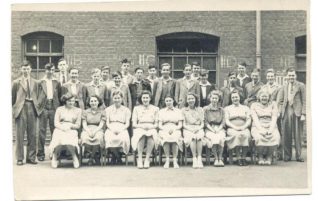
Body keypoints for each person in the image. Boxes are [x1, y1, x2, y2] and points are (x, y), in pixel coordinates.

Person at [12, 60, 41, 165]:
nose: (26, 71)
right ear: (21, 69)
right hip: (21, 108)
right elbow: (12, 98)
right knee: (20, 134)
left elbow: (38, 96)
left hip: (32, 107)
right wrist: (15, 110)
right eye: (24, 69)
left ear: (31, 69)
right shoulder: (16, 82)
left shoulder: (36, 82)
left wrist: (37, 107)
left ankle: (31, 157)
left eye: (27, 69)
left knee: (32, 134)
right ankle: (20, 158)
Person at [277, 67, 306, 162]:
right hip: (286, 111)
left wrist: (303, 114)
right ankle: (287, 156)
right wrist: (280, 111)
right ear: (287, 76)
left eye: (293, 75)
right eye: (289, 75)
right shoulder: (284, 86)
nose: (291, 77)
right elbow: (280, 101)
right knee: (286, 134)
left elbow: (305, 100)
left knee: (298, 135)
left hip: (297, 112)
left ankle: (298, 156)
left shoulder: (301, 85)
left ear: (295, 75)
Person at [49, 93, 82, 168]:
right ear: (65, 101)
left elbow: (78, 125)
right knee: (58, 135)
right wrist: (62, 128)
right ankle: (54, 156)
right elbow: (56, 123)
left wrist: (70, 126)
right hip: (60, 127)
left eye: (73, 101)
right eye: (69, 101)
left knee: (70, 136)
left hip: (71, 128)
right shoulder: (59, 109)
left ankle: (74, 157)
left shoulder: (78, 110)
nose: (71, 103)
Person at [37, 63, 62, 162]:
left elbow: (59, 96)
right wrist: (39, 106)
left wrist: (58, 107)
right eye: (48, 70)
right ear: (45, 71)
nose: (50, 72)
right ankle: (41, 153)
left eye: (52, 70)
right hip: (43, 107)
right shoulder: (40, 82)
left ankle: (53, 152)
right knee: (41, 131)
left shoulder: (57, 82)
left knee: (54, 131)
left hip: (53, 107)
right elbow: (37, 95)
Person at [250, 89, 280, 165]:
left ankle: (269, 156)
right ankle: (260, 156)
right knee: (259, 137)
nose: (264, 98)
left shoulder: (273, 104)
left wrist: (270, 129)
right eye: (262, 96)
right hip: (258, 125)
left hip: (271, 125)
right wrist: (261, 130)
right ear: (259, 97)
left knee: (275, 136)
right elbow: (255, 119)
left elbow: (274, 118)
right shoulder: (254, 105)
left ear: (269, 97)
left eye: (266, 96)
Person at [131, 90, 159, 169]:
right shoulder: (136, 108)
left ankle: (147, 159)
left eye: (147, 98)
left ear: (150, 99)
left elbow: (156, 124)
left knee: (151, 135)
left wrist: (151, 127)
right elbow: (134, 124)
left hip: (151, 127)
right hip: (140, 127)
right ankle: (139, 159)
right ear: (141, 99)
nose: (145, 99)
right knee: (141, 135)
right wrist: (142, 127)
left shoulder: (155, 109)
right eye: (144, 98)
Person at [224, 90, 252, 166]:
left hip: (244, 127)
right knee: (237, 135)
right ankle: (238, 157)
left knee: (246, 135)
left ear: (239, 97)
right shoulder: (227, 108)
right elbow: (226, 121)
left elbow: (249, 120)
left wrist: (243, 127)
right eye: (233, 97)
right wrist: (235, 127)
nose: (234, 99)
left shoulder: (245, 108)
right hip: (232, 128)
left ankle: (243, 157)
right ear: (231, 99)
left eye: (236, 97)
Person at [104, 90, 131, 164]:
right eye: (115, 98)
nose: (117, 100)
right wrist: (112, 129)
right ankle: (117, 156)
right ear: (112, 99)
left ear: (122, 99)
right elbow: (107, 122)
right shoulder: (108, 109)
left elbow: (127, 123)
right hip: (111, 127)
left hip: (122, 127)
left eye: (118, 98)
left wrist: (121, 130)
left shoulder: (126, 110)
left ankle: (115, 155)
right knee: (109, 139)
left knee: (123, 139)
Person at [158, 96, 183, 169]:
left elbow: (180, 124)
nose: (168, 102)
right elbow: (159, 125)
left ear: (173, 101)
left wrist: (174, 129)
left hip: (175, 128)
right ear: (165, 102)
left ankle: (175, 160)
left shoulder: (178, 111)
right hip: (164, 128)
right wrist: (165, 129)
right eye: (167, 101)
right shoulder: (161, 111)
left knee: (175, 137)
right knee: (166, 137)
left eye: (170, 100)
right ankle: (167, 160)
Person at [80, 96, 106, 166]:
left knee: (98, 138)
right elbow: (84, 123)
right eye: (91, 101)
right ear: (89, 102)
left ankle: (91, 157)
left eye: (95, 101)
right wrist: (88, 131)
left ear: (98, 102)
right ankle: (94, 156)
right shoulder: (85, 112)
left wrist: (95, 131)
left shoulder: (102, 112)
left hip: (98, 129)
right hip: (87, 129)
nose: (93, 103)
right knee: (84, 138)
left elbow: (101, 124)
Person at [181, 93, 205, 168]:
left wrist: (198, 128)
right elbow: (183, 124)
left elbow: (202, 123)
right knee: (193, 137)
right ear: (186, 100)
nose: (191, 100)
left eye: (192, 98)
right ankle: (194, 158)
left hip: (198, 128)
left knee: (199, 136)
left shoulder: (200, 109)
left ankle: (199, 158)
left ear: (195, 100)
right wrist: (191, 129)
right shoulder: (184, 110)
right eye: (189, 99)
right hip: (188, 128)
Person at [204, 90, 226, 167]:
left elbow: (223, 122)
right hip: (210, 128)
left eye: (216, 98)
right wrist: (213, 130)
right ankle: (216, 159)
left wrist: (219, 129)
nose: (214, 100)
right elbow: (205, 122)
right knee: (214, 137)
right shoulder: (206, 109)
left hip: (219, 128)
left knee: (221, 138)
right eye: (213, 98)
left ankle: (220, 158)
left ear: (218, 99)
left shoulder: (222, 110)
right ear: (210, 99)